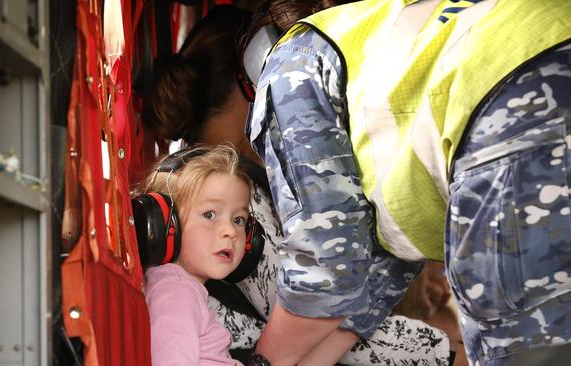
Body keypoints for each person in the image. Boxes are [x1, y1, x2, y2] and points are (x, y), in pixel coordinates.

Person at [246, 0, 571, 365]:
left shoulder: (290, 61)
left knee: (530, 353)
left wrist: (258, 362)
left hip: (531, 92)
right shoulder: (386, 36)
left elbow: (327, 266)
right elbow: (375, 265)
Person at [144, 3, 453, 365]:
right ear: (253, 79)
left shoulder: (214, 183)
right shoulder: (223, 188)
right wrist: (437, 345)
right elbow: (322, 293)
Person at [136, 145, 253, 365]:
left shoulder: (184, 288)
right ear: (165, 226)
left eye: (239, 220)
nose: (230, 231)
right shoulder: (174, 294)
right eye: (210, 214)